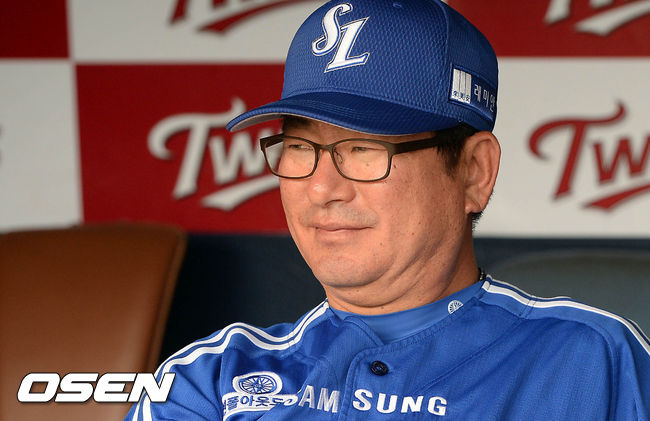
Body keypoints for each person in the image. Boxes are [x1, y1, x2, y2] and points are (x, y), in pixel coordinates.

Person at [127, 0, 650, 419]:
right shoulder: (211, 379)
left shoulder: (595, 362)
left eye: (364, 149)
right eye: (301, 148)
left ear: (474, 172)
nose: (321, 188)